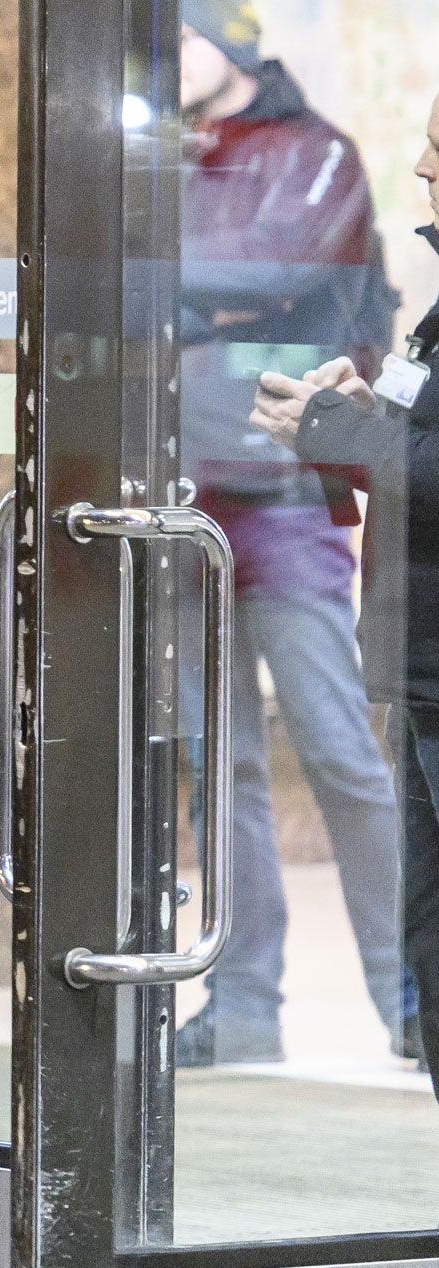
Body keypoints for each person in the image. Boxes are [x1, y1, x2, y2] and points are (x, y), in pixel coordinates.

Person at [174, 0, 407, 1066]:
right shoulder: (153, 159)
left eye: (168, 35)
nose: (150, 61)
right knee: (213, 766)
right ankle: (239, 1011)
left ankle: (407, 997)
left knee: (337, 753)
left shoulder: (310, 151)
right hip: (174, 498)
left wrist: (174, 291)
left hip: (285, 501)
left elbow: (274, 270)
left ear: (222, 44)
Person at [252, 86, 439, 1091]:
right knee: (428, 954)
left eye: (437, 147)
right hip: (418, 678)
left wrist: (332, 434)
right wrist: (367, 411)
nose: (419, 168)